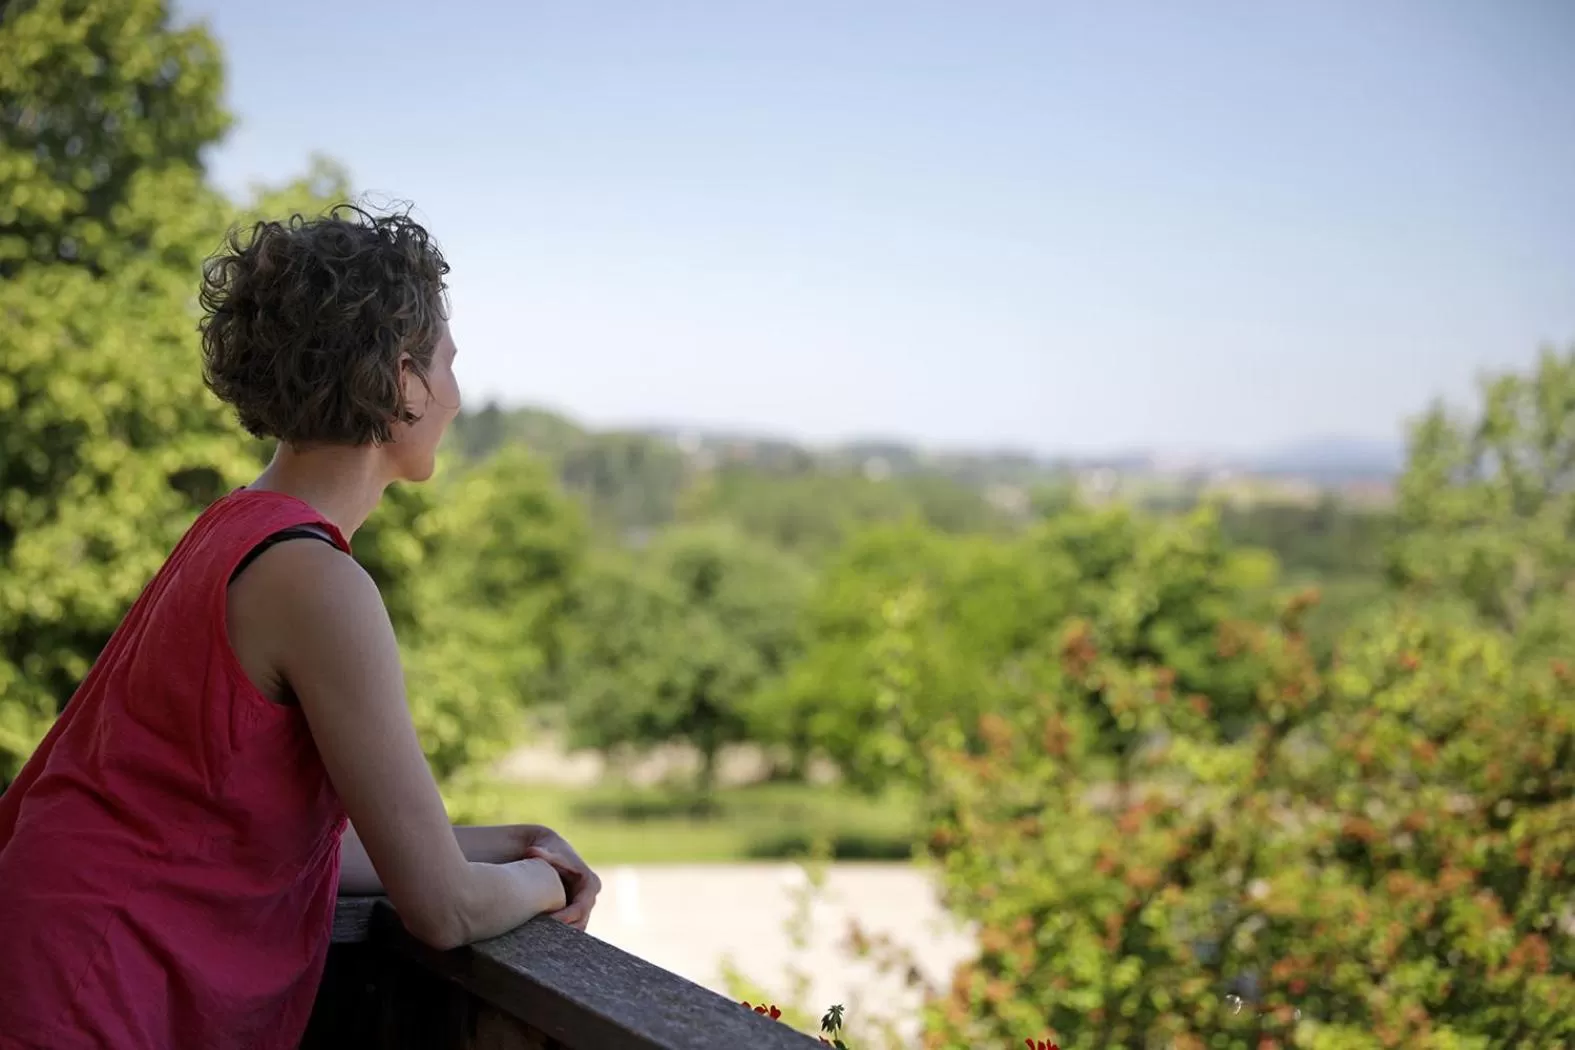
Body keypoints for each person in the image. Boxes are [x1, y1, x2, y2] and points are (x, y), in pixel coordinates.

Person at [0, 205, 599, 1050]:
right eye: (448, 365)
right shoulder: (318, 582)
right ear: (403, 380)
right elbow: (443, 909)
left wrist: (506, 844)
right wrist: (548, 882)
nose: (458, 399)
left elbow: (269, 843)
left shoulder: (237, 528)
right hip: (85, 995)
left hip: (55, 959)